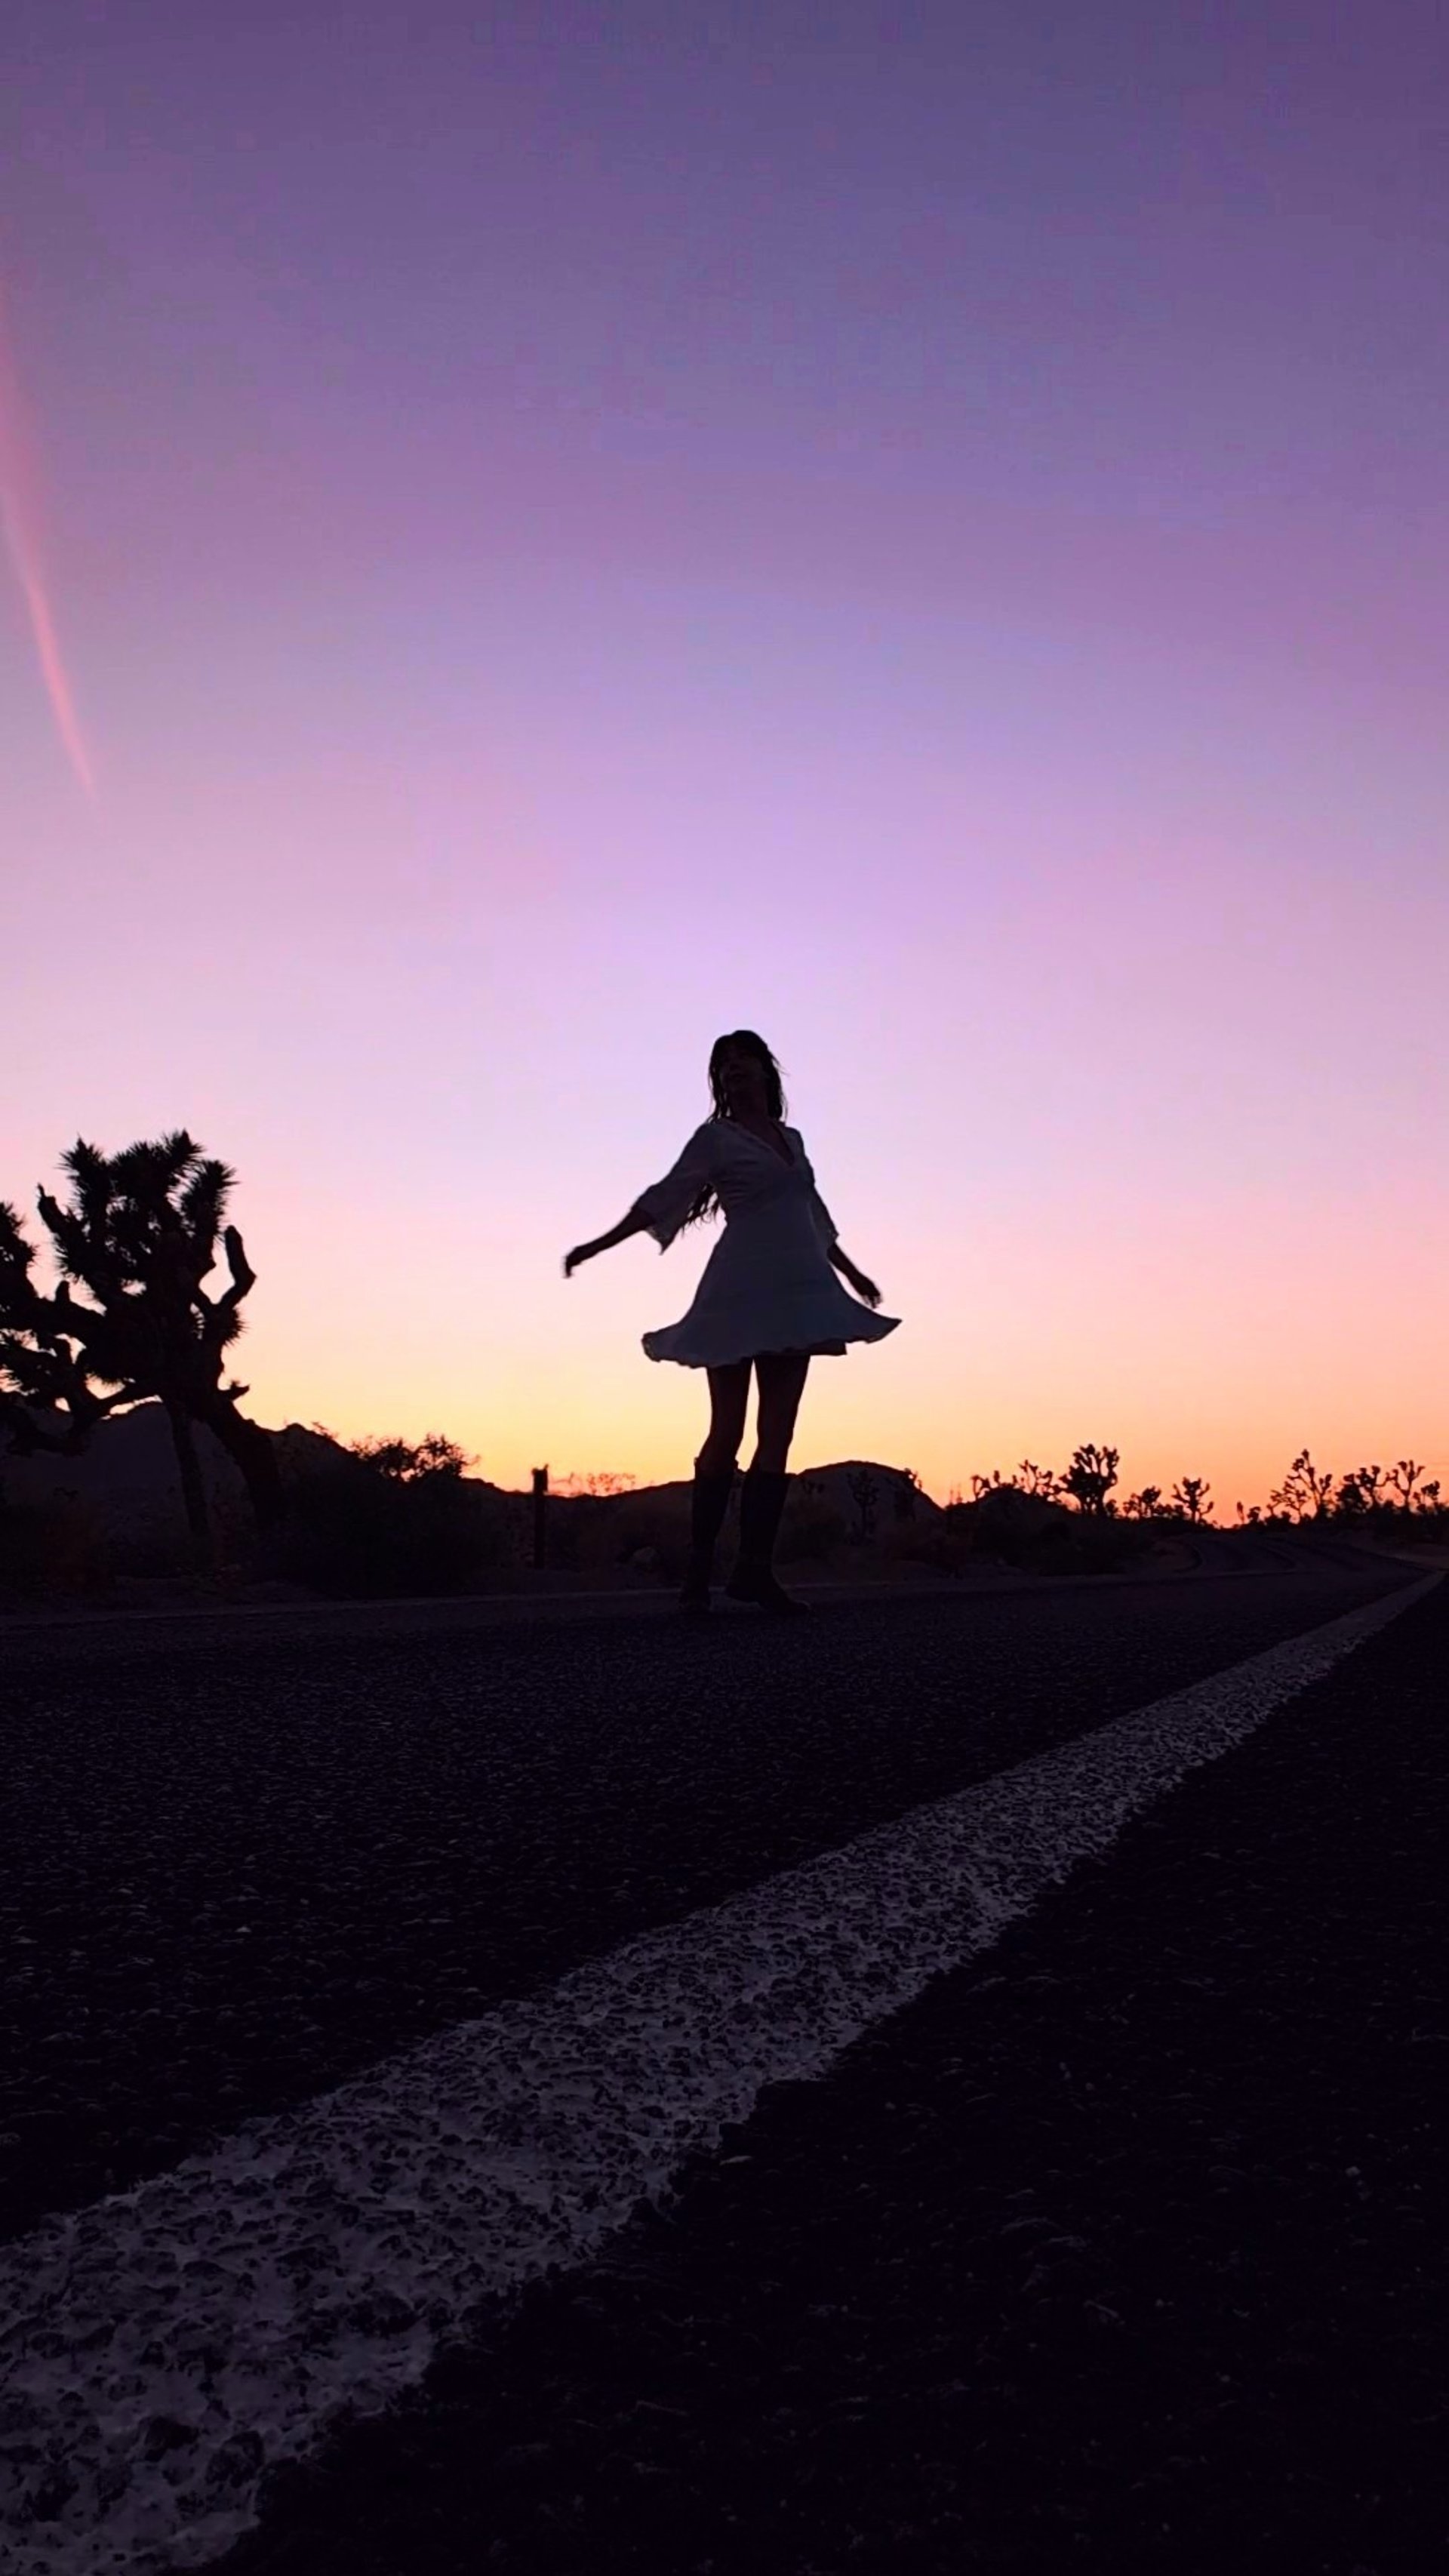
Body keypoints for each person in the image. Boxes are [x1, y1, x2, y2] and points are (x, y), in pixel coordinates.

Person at [564, 1030, 898, 1614]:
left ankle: (753, 1571)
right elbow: (665, 1195)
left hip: (797, 1293)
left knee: (779, 1434)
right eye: (724, 1068)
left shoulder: (792, 1140)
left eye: (743, 1063)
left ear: (767, 1071)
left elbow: (815, 1217)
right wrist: (598, 1244)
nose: (734, 1073)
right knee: (728, 1429)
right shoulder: (714, 1138)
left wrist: (854, 1276)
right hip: (738, 1290)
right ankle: (697, 1572)